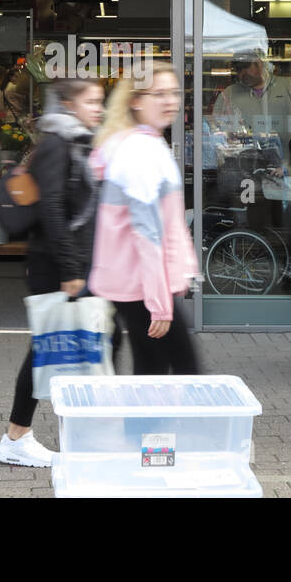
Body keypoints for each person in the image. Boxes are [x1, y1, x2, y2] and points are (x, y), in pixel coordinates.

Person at [0, 76, 112, 468]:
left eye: (101, 101)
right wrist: (71, 270)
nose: (99, 108)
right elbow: (51, 211)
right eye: (92, 101)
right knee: (50, 350)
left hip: (75, 264)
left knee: (79, 346)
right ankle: (16, 436)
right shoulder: (56, 146)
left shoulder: (79, 143)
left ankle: (77, 432)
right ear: (68, 105)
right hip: (57, 266)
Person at [88, 61, 202, 375]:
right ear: (136, 100)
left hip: (137, 284)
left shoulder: (139, 143)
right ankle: (155, 425)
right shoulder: (139, 151)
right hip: (142, 286)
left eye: (175, 93)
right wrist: (160, 303)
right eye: (159, 94)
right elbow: (148, 233)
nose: (170, 101)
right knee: (185, 370)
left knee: (151, 367)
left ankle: (147, 426)